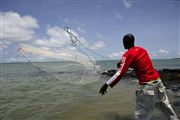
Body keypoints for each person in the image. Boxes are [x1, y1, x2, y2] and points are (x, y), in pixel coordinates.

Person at [99, 34, 179, 120]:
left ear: (126, 42)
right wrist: (123, 63)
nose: (123, 44)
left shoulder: (127, 54)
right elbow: (139, 64)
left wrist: (106, 84)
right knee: (167, 109)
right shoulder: (142, 50)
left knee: (140, 116)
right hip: (158, 82)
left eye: (123, 42)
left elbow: (120, 73)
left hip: (147, 86)